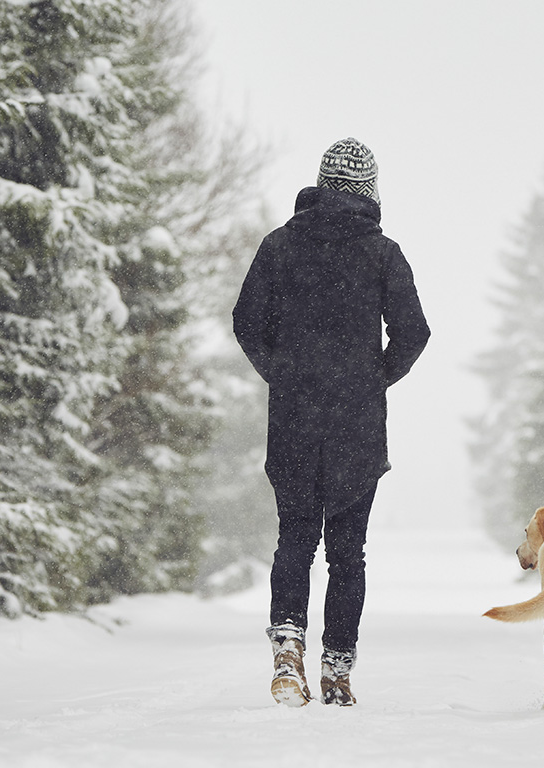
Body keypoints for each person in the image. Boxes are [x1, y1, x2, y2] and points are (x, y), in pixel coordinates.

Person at [232, 138, 430, 707]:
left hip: (293, 420)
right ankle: (337, 671)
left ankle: (287, 653)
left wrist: (283, 374)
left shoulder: (280, 246)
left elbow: (247, 321)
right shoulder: (384, 254)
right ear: (368, 191)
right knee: (349, 551)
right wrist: (371, 380)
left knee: (294, 538)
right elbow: (414, 333)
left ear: (320, 183)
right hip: (357, 427)